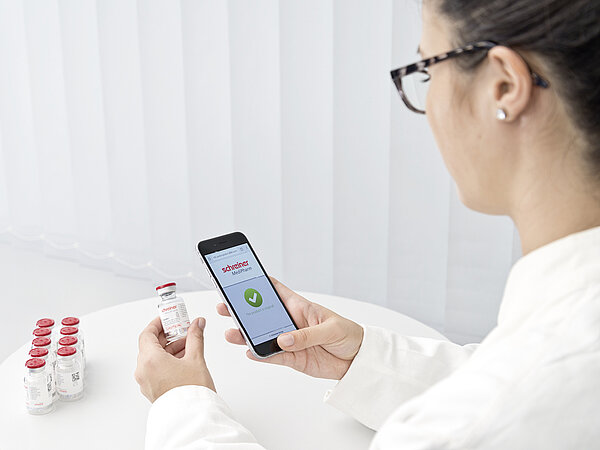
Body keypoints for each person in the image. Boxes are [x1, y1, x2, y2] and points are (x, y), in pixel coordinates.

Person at [134, 0, 600, 448]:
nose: (428, 99)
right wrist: (362, 357)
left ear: (503, 87)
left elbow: (501, 401)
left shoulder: (472, 423)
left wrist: (182, 402)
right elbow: (508, 373)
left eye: (427, 71)